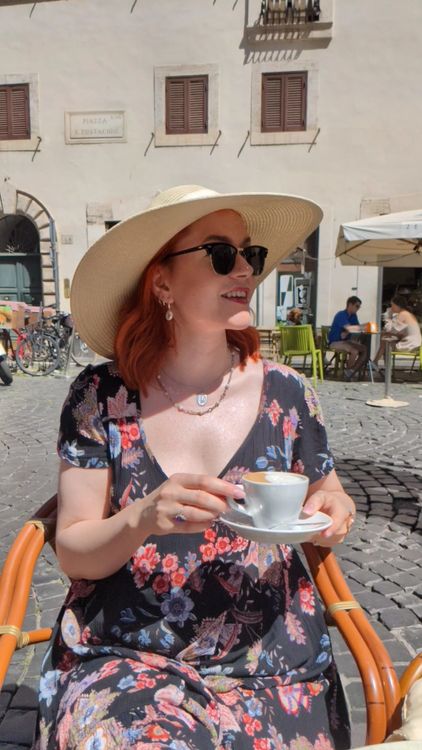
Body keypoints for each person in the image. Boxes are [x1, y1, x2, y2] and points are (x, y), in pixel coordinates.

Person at [35, 185, 356, 750]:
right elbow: (75, 551)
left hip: (270, 660)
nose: (245, 270)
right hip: (131, 657)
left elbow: (330, 495)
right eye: (220, 252)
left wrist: (334, 508)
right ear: (161, 281)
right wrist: (142, 518)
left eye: (249, 254)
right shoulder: (100, 397)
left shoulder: (288, 393)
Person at [373, 294, 422, 369]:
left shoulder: (402, 315)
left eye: (392, 305)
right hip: (416, 345)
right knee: (385, 339)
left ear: (397, 305)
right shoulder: (408, 314)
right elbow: (398, 333)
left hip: (411, 346)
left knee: (385, 342)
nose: (391, 308)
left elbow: (390, 330)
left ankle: (378, 365)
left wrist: (388, 317)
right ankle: (384, 368)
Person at [328, 296, 367, 380]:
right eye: (357, 306)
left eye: (359, 307)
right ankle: (348, 372)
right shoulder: (341, 315)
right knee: (354, 351)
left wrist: (362, 328)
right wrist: (366, 327)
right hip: (335, 342)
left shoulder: (353, 316)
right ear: (350, 304)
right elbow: (351, 328)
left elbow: (357, 328)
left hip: (346, 341)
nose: (358, 308)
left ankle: (351, 371)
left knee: (364, 349)